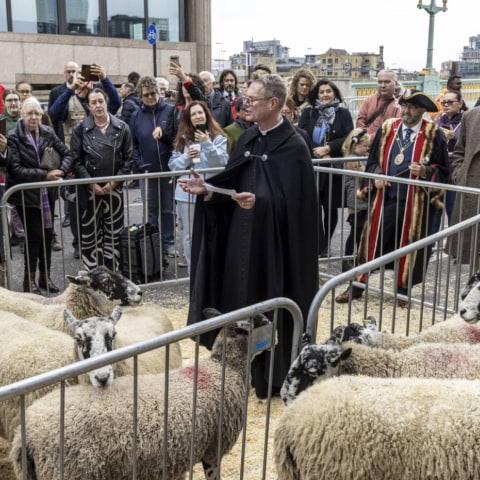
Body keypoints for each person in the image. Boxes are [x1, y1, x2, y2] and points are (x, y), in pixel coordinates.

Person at [178, 74, 318, 399]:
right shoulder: (247, 139)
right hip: (240, 244)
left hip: (272, 253)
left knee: (269, 308)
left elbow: (299, 211)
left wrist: (263, 202)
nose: (246, 104)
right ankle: (236, 370)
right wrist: (210, 190)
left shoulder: (295, 146)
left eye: (252, 100)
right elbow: (233, 184)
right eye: (246, 97)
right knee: (237, 304)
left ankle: (271, 377)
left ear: (272, 103)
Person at [336, 90, 449, 307]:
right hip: (386, 197)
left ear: (422, 110)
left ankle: (402, 290)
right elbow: (372, 161)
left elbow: (444, 169)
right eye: (404, 106)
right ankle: (357, 286)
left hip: (416, 201)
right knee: (371, 240)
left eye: (412, 107)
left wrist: (425, 171)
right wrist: (376, 176)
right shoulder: (388, 128)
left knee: (410, 245)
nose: (406, 111)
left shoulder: (434, 133)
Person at [2, 97, 72, 293]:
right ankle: (29, 281)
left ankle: (45, 278)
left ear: (42, 116)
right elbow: (15, 169)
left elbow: (68, 154)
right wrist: (45, 175)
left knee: (47, 237)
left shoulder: (48, 132)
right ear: (22, 115)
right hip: (26, 197)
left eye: (37, 114)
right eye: (29, 113)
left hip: (47, 195)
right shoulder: (13, 136)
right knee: (33, 238)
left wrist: (62, 172)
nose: (33, 117)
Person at [71, 88, 133, 271]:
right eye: (94, 102)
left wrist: (114, 182)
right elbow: (76, 161)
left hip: (115, 190)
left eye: (101, 101)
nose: (98, 105)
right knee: (90, 235)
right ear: (88, 106)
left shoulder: (122, 127)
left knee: (113, 234)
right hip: (89, 191)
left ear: (106, 102)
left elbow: (129, 159)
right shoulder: (80, 129)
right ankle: (92, 275)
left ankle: (112, 273)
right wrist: (91, 183)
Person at [168, 101, 228, 270]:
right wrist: (187, 156)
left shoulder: (218, 137)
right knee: (190, 235)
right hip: (187, 195)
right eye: (193, 114)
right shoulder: (182, 139)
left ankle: (212, 270)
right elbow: (173, 166)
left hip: (211, 191)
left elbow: (222, 162)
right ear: (189, 119)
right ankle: (193, 271)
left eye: (200, 112)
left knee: (213, 232)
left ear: (206, 114)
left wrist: (207, 144)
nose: (197, 116)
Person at [298, 79, 354, 256]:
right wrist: (315, 152)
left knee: (330, 207)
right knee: (313, 207)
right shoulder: (308, 112)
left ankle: (325, 245)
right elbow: (300, 134)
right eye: (321, 92)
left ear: (335, 93)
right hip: (312, 166)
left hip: (332, 165)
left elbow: (348, 136)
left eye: (328, 91)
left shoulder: (343, 113)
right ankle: (317, 243)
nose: (325, 95)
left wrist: (329, 148)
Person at [129, 76, 175, 256]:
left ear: (159, 92)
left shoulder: (171, 111)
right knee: (151, 210)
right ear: (141, 95)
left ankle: (168, 242)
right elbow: (132, 144)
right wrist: (139, 164)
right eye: (146, 94)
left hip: (168, 168)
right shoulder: (136, 115)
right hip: (147, 171)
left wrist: (164, 136)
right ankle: (154, 243)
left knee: (168, 209)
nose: (150, 97)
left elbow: (177, 138)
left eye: (153, 93)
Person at [448, 103, 480, 269]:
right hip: (472, 192)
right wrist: (459, 175)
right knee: (475, 253)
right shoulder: (471, 116)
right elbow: (458, 151)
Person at [433, 90, 465, 229]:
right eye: (443, 102)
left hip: (455, 174)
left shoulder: (466, 121)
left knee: (454, 215)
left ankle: (454, 248)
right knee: (433, 216)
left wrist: (453, 139)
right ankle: (429, 248)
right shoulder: (437, 120)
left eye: (450, 102)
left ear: (460, 103)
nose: (446, 105)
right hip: (438, 173)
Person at [340, 128, 371, 272]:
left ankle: (358, 259)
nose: (367, 149)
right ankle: (347, 261)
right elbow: (364, 173)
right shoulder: (352, 160)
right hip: (356, 201)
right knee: (355, 232)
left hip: (362, 200)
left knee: (361, 232)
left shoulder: (358, 158)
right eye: (365, 146)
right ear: (355, 145)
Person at [0, 89, 25, 250]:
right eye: (10, 100)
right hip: (8, 169)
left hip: (27, 167)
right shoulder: (1, 122)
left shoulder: (26, 119)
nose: (13, 103)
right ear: (4, 102)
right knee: (13, 205)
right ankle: (20, 235)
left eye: (16, 99)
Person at [356, 70, 401, 138]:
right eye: (380, 82)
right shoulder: (369, 100)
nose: (383, 85)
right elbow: (360, 121)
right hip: (366, 143)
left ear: (396, 84)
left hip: (387, 142)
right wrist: (365, 137)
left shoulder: (401, 103)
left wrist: (373, 138)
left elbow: (397, 126)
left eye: (387, 82)